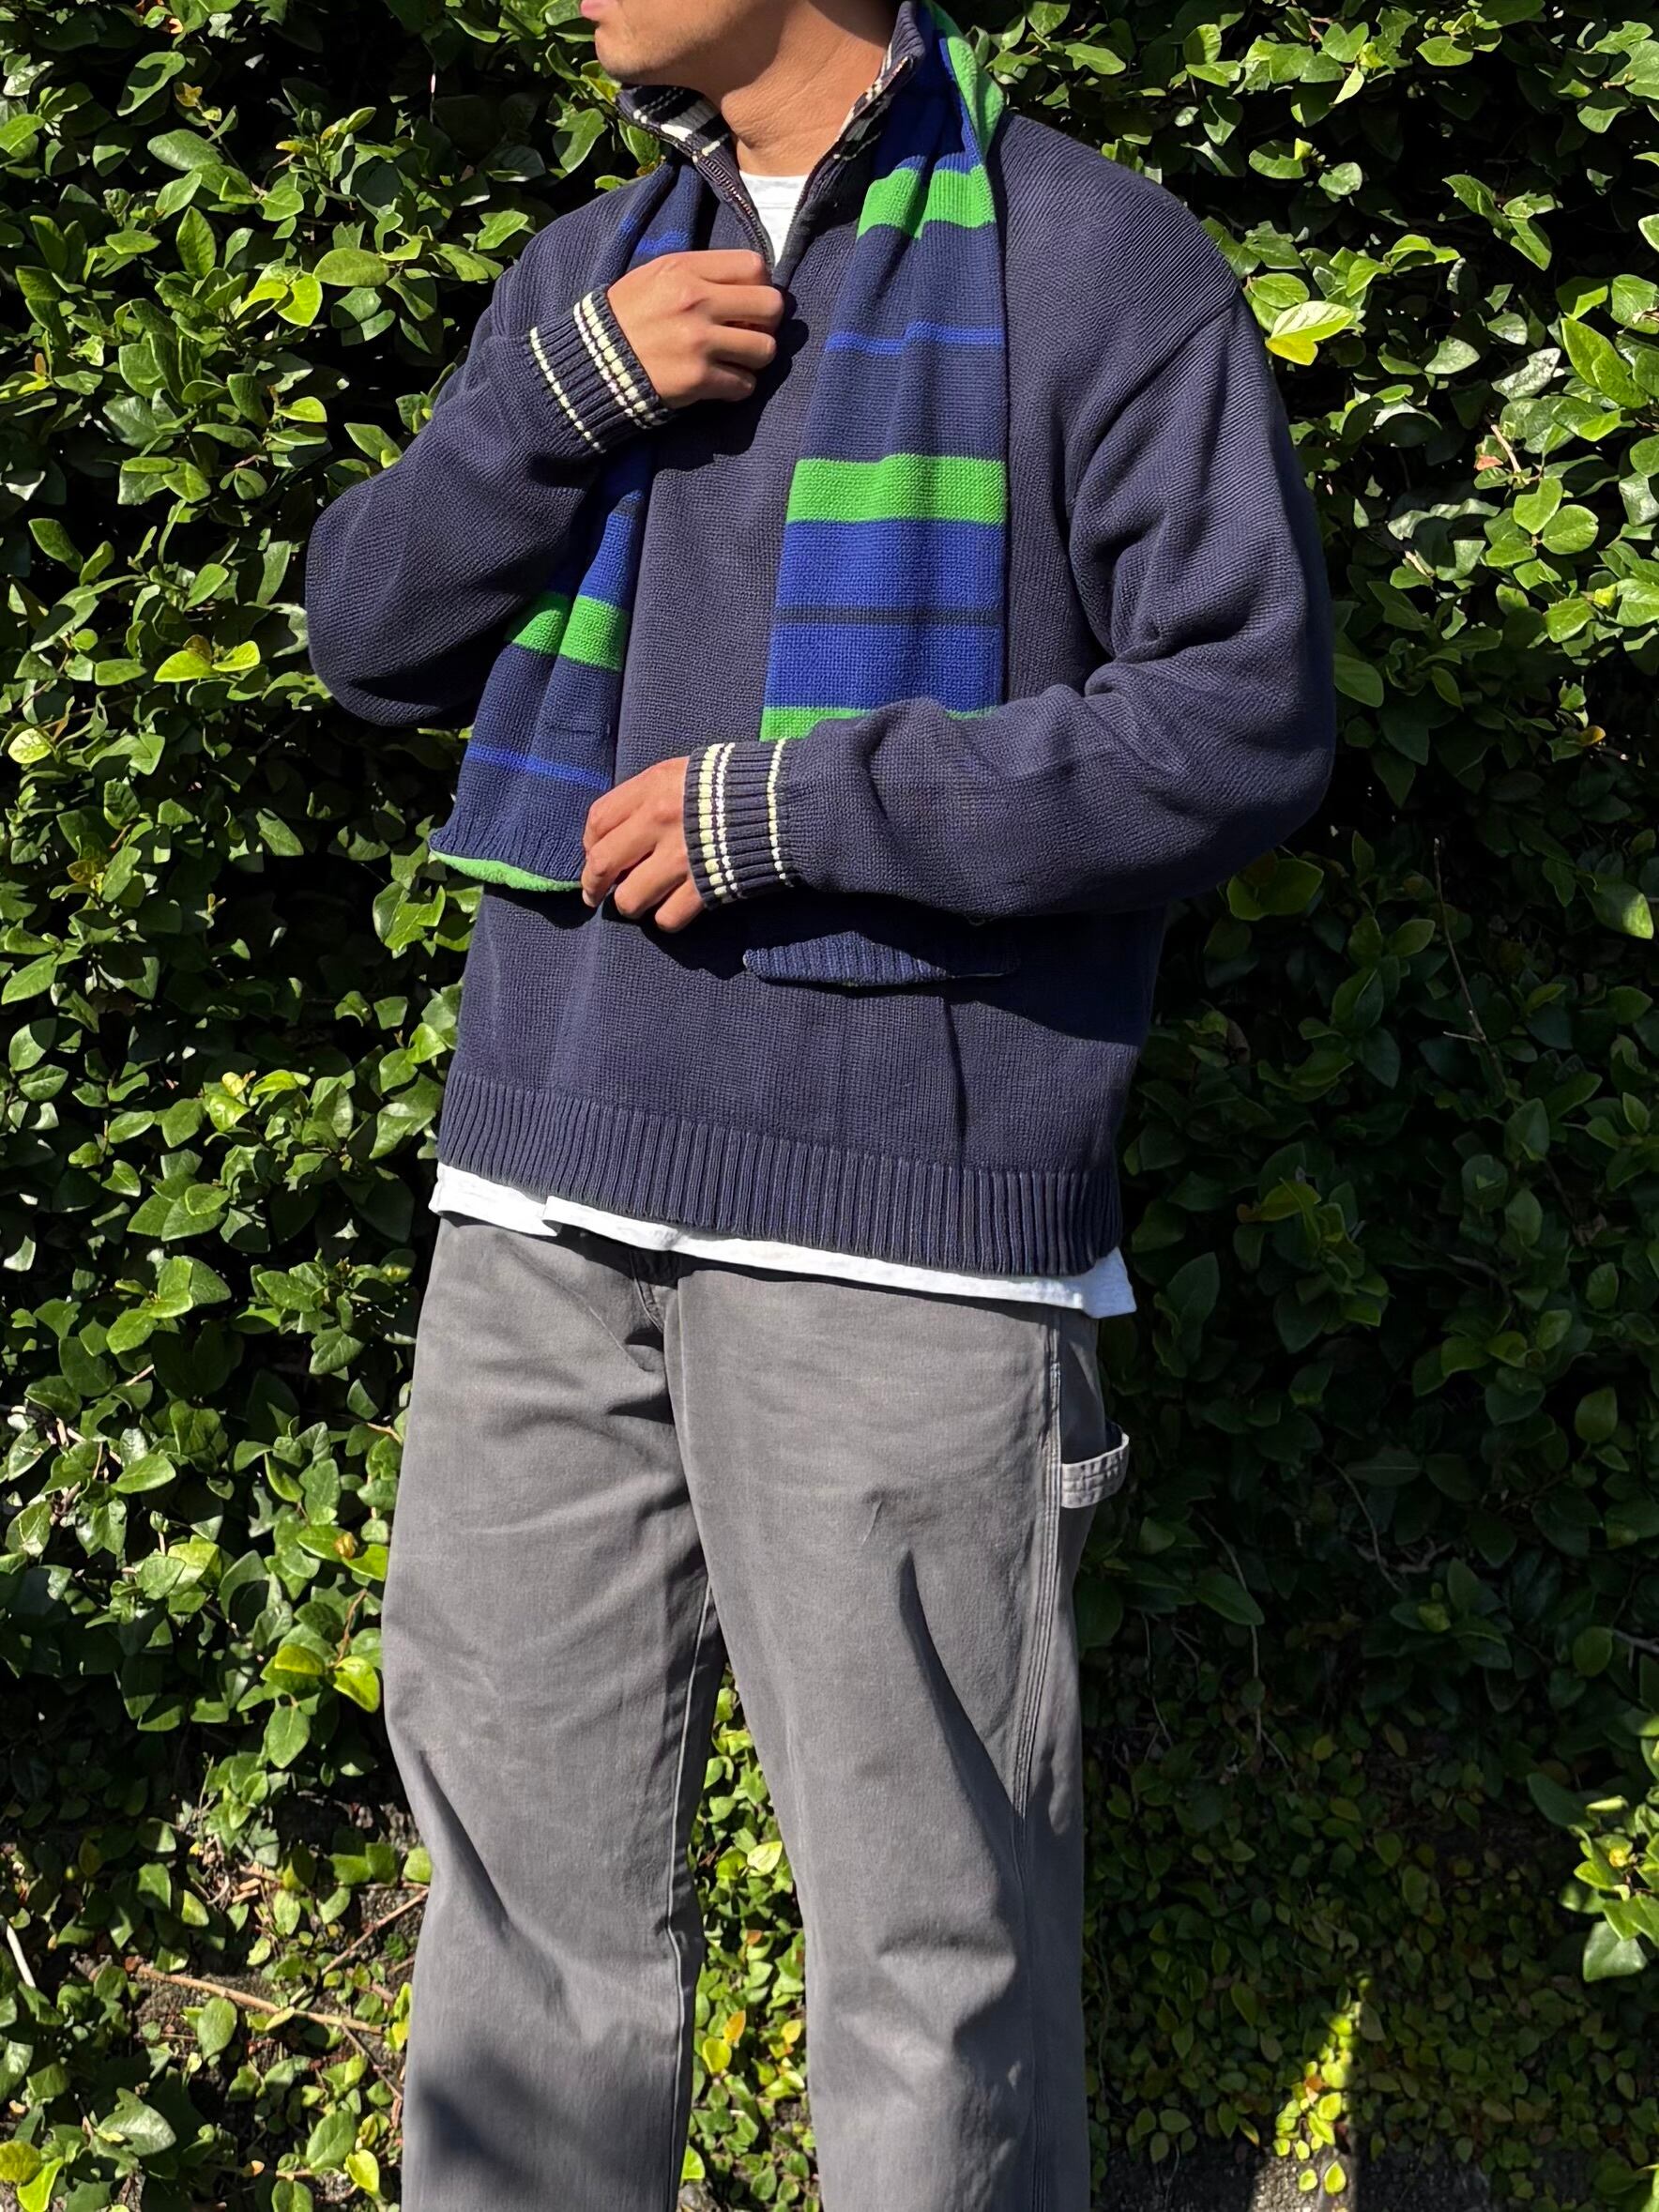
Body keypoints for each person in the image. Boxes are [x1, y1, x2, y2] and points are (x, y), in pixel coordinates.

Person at [302, 0, 1334, 2203]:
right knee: (520, 1950)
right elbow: (364, 638)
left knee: (929, 1969)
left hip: (900, 1241)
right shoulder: (590, 271)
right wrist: (551, 399)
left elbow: (1234, 720)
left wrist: (795, 808)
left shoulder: (1094, 262)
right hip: (539, 1199)